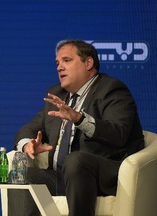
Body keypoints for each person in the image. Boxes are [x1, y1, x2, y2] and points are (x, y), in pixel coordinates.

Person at [8, 39, 144, 216]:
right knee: (22, 176)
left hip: (100, 174)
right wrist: (28, 144)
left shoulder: (111, 89)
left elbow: (119, 133)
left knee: (75, 161)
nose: (59, 67)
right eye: (57, 63)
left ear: (88, 63)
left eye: (67, 60)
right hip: (60, 176)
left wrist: (80, 119)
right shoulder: (57, 95)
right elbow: (27, 129)